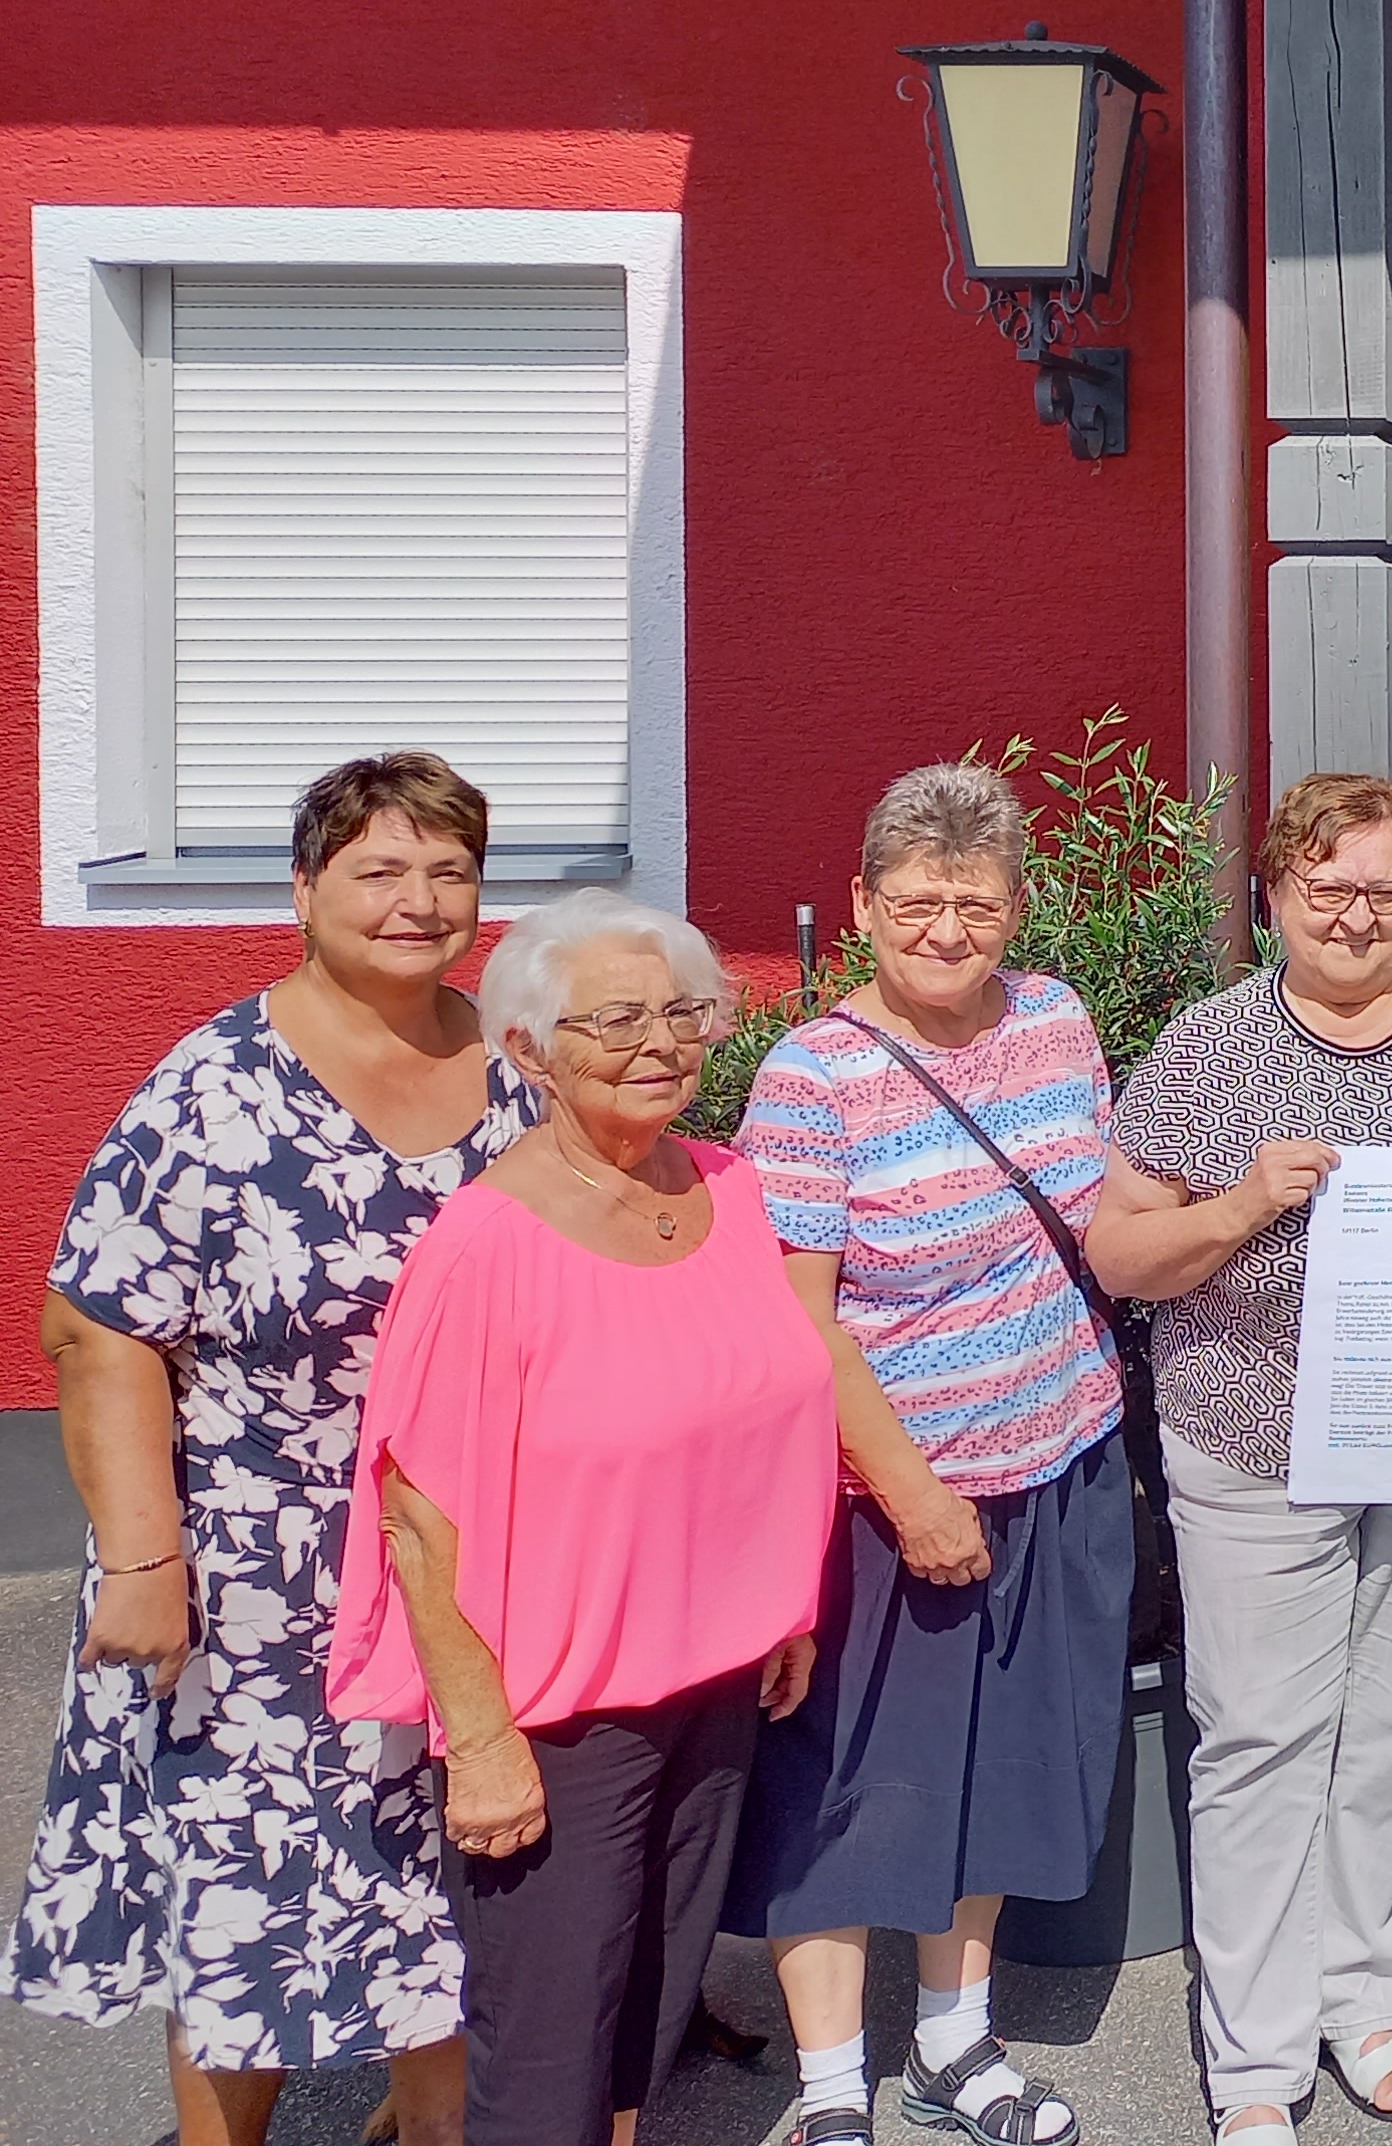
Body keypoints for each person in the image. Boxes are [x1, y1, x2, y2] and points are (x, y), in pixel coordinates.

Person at [10, 757, 519, 2146]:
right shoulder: (215, 1089)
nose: (419, 902)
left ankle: (434, 2127)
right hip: (251, 1558)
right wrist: (143, 1561)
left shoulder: (514, 1059)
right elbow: (96, 1330)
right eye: (381, 871)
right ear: (306, 893)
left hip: (466, 1549)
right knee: (249, 1908)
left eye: (449, 872)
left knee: (448, 1881)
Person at [1090, 772, 1392, 2134]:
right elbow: (1120, 1247)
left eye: (1383, 888)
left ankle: (1357, 1992)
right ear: (1276, 894)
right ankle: (1251, 2058)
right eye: (1328, 887)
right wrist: (1244, 1205)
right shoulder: (1207, 1049)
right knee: (1259, 1738)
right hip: (1252, 1439)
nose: (1356, 914)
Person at [326, 888, 839, 2146]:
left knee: (646, 2018)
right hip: (557, 1714)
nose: (660, 1042)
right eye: (616, 1019)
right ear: (530, 1052)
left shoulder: (728, 1186)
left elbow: (755, 1412)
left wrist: (778, 1607)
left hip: (715, 1680)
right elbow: (415, 1513)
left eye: (683, 1012)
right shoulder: (487, 1246)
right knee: (546, 2044)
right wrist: (482, 1737)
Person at [726, 764, 1133, 2146]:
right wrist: (910, 1492)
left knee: (996, 1773)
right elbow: (802, 1326)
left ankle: (955, 2046)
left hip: (1060, 1454)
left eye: (975, 903)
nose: (946, 929)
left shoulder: (1060, 1021)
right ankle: (831, 2079)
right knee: (847, 1785)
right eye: (916, 902)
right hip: (888, 1489)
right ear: (861, 906)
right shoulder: (809, 1076)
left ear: (1017, 909)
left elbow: (1105, 1218)